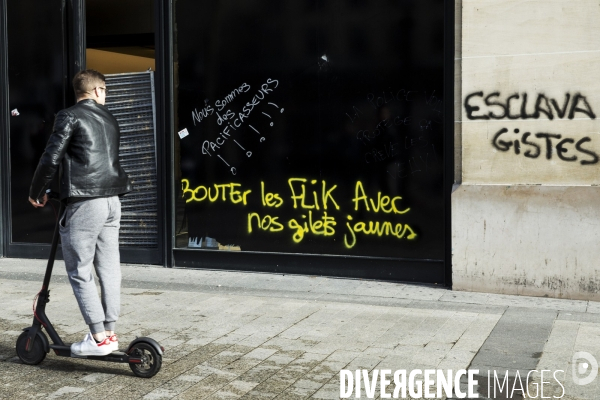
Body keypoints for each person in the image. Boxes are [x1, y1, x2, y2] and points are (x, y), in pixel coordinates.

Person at [28, 69, 132, 356]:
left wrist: (36, 191)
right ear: (97, 91)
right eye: (105, 91)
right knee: (110, 268)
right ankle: (109, 332)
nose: (105, 96)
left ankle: (98, 339)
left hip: (86, 204)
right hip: (112, 201)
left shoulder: (69, 116)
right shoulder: (109, 118)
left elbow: (51, 157)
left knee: (80, 271)